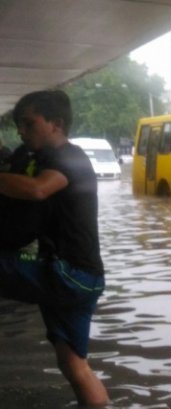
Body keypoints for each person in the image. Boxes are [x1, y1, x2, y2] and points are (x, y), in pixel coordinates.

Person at [0, 90, 108, 406]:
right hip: (82, 278)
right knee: (74, 365)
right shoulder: (46, 158)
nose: (21, 130)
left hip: (70, 275)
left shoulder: (69, 158)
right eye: (19, 124)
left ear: (56, 123)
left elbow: (37, 190)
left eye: (29, 123)